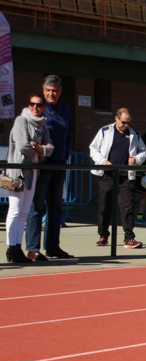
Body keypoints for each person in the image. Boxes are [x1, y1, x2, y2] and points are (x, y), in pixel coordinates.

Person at [25, 75, 74, 261]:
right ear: (43, 91)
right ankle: (32, 249)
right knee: (37, 207)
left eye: (54, 90)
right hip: (42, 165)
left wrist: (65, 155)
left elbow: (69, 133)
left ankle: (53, 247)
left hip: (60, 164)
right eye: (48, 90)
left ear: (60, 92)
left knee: (55, 208)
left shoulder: (65, 109)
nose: (51, 93)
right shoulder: (38, 109)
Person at [4, 94, 54, 263]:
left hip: (33, 172)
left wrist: (37, 147)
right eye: (32, 104)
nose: (35, 107)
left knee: (24, 212)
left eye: (39, 105)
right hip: (18, 171)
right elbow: (23, 145)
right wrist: (39, 149)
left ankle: (17, 247)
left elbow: (50, 148)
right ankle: (12, 248)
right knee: (15, 210)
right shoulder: (21, 120)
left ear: (43, 107)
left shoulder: (43, 125)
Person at [89, 108, 146, 249]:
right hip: (108, 174)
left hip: (126, 176)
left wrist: (136, 159)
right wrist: (102, 161)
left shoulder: (134, 134)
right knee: (105, 206)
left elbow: (143, 150)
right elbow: (93, 148)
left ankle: (129, 238)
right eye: (124, 122)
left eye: (129, 123)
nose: (126, 125)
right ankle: (103, 236)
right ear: (116, 118)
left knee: (127, 207)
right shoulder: (105, 131)